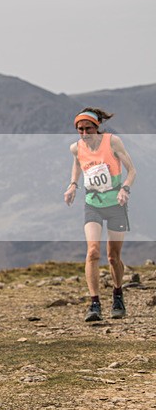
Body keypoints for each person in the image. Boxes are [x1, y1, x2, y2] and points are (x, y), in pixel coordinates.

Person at [64, 108, 136, 322]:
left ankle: (117, 294)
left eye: (88, 128)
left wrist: (125, 189)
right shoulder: (76, 148)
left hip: (116, 205)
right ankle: (94, 303)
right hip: (92, 204)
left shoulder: (112, 142)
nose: (84, 133)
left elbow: (132, 170)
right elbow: (77, 164)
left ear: (97, 127)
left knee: (113, 257)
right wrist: (73, 185)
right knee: (93, 251)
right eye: (80, 130)